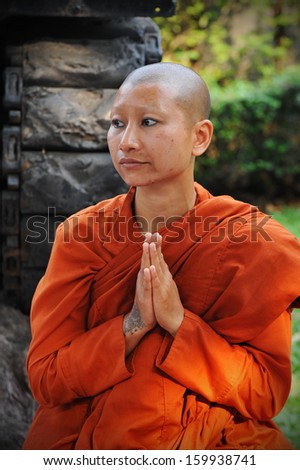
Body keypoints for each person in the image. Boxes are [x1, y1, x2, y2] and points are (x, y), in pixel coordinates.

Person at [22, 62, 300, 450]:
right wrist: (134, 324)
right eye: (117, 124)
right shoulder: (82, 235)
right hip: (90, 438)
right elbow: (46, 377)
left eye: (149, 122)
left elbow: (264, 392)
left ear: (199, 137)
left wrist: (179, 323)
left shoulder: (252, 242)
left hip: (211, 442)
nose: (127, 141)